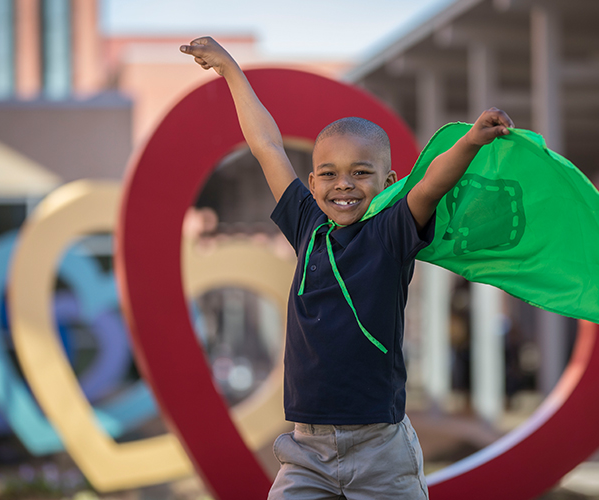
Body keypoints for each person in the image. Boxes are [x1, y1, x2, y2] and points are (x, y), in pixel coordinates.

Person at [180, 36, 513, 500]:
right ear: (312, 182)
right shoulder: (307, 227)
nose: (344, 185)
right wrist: (232, 71)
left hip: (381, 451)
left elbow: (432, 182)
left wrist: (472, 141)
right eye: (330, 174)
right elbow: (267, 146)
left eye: (361, 172)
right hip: (306, 451)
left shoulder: (392, 232)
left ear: (388, 182)